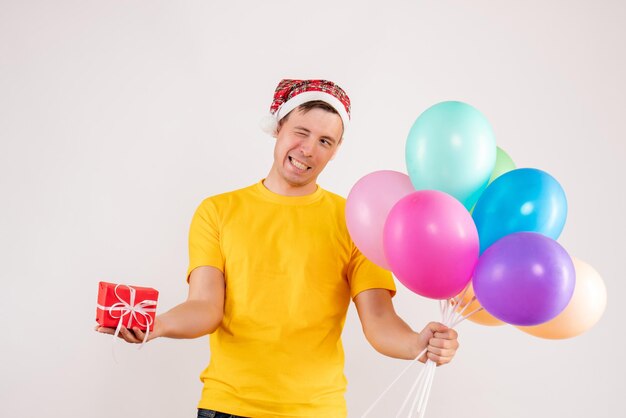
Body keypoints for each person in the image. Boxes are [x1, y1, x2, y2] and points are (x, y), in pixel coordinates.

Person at [96, 79, 460, 418]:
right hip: (227, 407)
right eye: (301, 132)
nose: (308, 149)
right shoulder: (218, 212)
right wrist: (156, 326)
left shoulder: (355, 220)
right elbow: (206, 307)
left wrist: (417, 344)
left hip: (317, 410)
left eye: (325, 141)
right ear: (278, 127)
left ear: (336, 151)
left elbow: (379, 320)